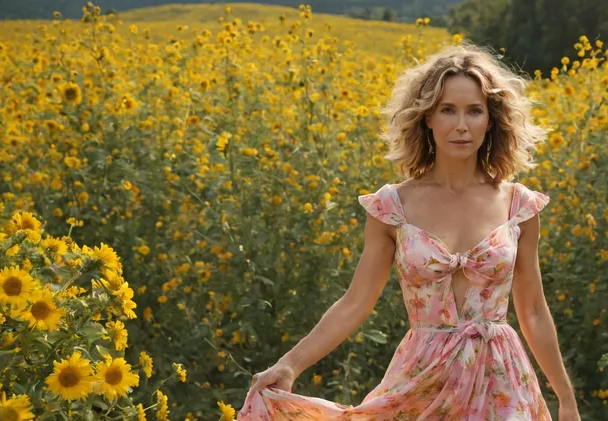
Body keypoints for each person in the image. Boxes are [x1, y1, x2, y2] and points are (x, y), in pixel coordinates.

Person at [238, 42, 581, 421]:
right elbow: (355, 302)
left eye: (474, 111)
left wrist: (566, 401)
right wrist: (290, 365)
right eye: (447, 110)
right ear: (427, 119)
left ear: (491, 120)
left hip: (502, 384)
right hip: (422, 381)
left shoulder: (519, 206)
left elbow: (532, 309)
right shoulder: (392, 209)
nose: (461, 125)